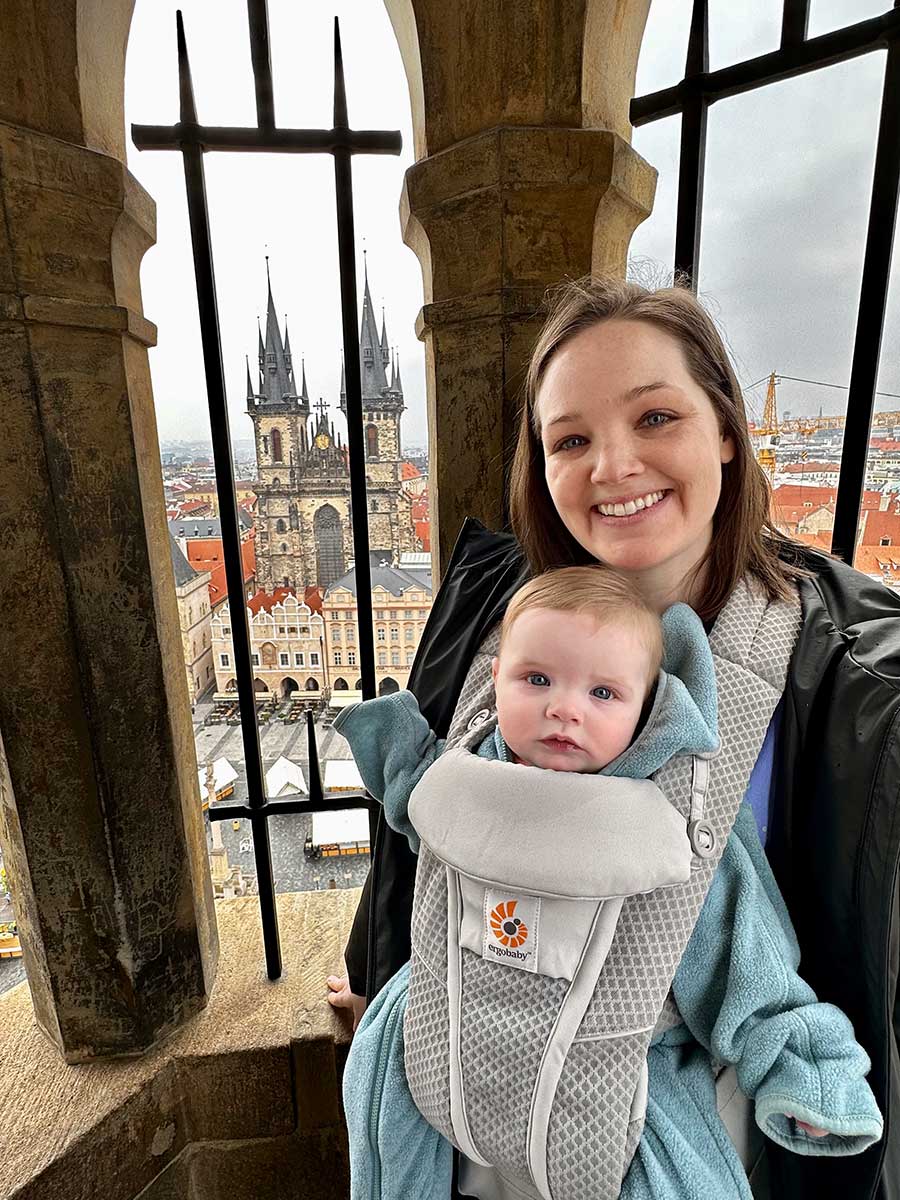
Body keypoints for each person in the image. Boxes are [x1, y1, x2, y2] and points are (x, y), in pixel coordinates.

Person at [327, 275, 900, 1198]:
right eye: (572, 439)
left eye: (655, 418)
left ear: (724, 428)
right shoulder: (490, 600)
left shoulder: (858, 675)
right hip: (451, 1115)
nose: (613, 466)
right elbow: (436, 827)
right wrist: (379, 975)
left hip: (658, 1137)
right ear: (541, 467)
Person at [332, 565, 881, 1200]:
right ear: (494, 682)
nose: (564, 708)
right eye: (537, 679)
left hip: (611, 1089)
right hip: (446, 1048)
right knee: (379, 1088)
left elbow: (744, 957)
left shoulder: (670, 821)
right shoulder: (465, 770)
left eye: (603, 694)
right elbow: (421, 825)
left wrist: (802, 1070)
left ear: (650, 709)